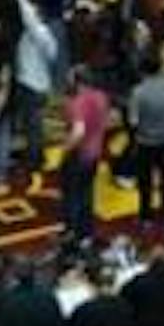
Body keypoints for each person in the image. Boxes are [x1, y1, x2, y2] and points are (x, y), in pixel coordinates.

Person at [128, 45, 164, 219]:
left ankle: (146, 214)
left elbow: (133, 121)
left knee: (145, 182)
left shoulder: (137, 92)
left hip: (145, 143)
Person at [60, 66, 112, 250]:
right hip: (95, 153)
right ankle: (86, 231)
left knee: (72, 195)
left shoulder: (78, 102)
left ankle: (71, 233)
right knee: (87, 193)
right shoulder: (101, 97)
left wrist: (65, 149)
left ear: (78, 81)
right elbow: (107, 121)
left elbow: (78, 131)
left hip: (79, 154)